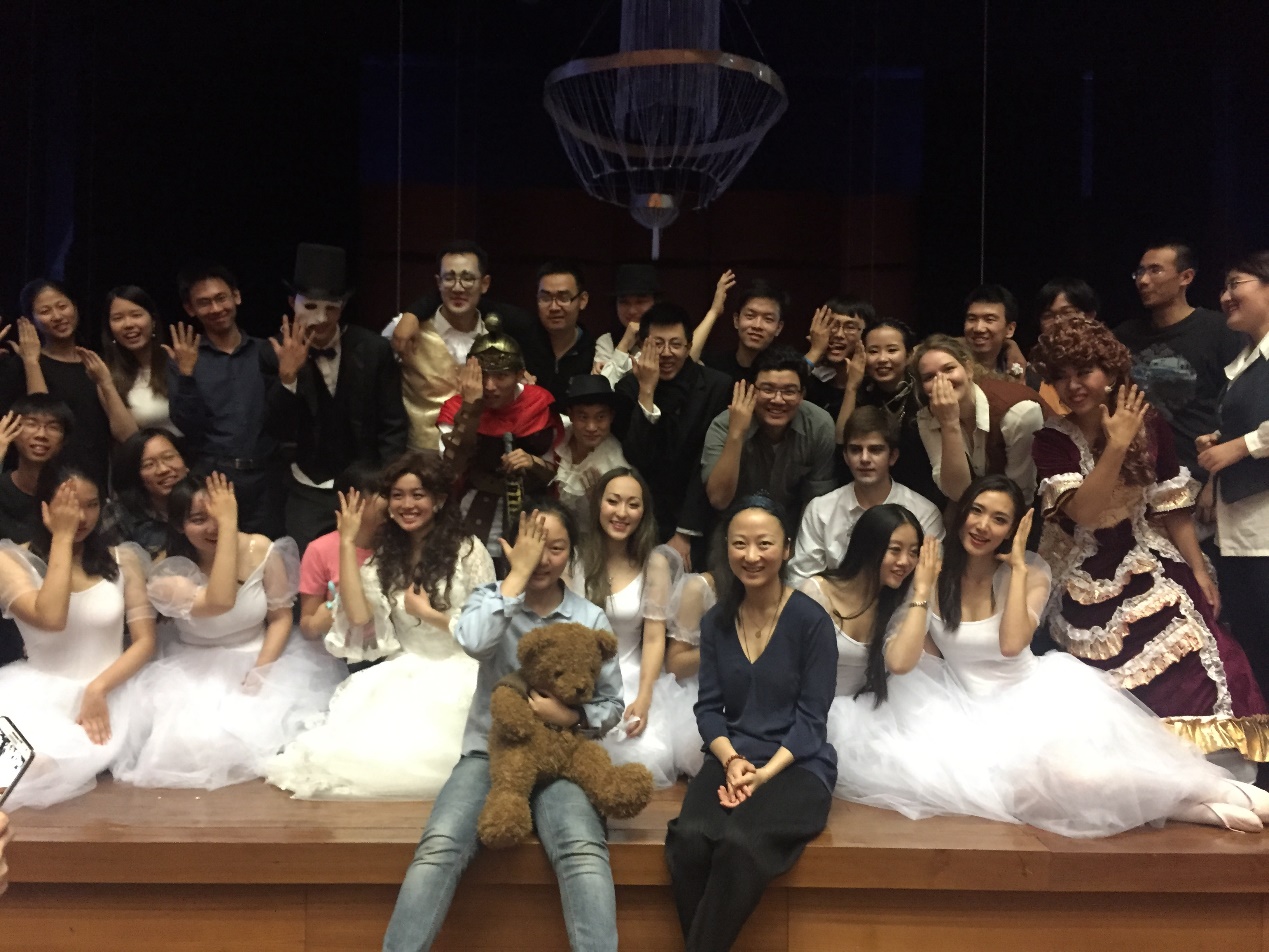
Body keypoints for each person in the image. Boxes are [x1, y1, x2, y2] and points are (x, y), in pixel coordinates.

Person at [846, 474, 1269, 835]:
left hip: (1035, 699)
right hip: (972, 713)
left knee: (1074, 776)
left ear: (1013, 529)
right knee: (1029, 797)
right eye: (977, 511)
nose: (983, 526)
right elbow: (901, 661)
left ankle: (1214, 791)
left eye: (999, 519)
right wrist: (922, 589)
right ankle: (1190, 808)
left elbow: (1011, 644)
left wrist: (1015, 569)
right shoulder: (934, 575)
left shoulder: (1031, 570)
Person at [1030, 317, 1267, 778]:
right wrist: (1115, 446)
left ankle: (1211, 779)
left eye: (1084, 371)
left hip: (1147, 553)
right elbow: (1084, 513)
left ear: (1109, 371)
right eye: (1060, 375)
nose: (1073, 385)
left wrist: (1198, 570)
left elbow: (1170, 506)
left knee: (1200, 642)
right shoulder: (1052, 440)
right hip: (1083, 570)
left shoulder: (1149, 422)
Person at [381, 501, 622, 952]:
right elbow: (473, 642)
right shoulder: (488, 598)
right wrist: (515, 578)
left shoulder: (589, 618)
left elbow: (612, 704)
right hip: (489, 755)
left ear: (571, 553)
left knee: (583, 849)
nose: (544, 559)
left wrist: (572, 717)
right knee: (439, 846)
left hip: (563, 761)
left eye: (556, 548)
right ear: (510, 547)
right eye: (533, 546)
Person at [664, 495, 836, 952]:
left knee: (741, 844)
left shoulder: (812, 622)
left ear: (787, 548)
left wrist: (763, 774)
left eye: (765, 543)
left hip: (797, 764)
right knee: (689, 839)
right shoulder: (716, 621)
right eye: (740, 543)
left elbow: (812, 720)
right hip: (733, 757)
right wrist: (732, 760)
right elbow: (708, 709)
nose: (752, 555)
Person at [268, 454, 495, 799]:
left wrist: (428, 613)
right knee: (354, 756)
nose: (407, 504)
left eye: (418, 495)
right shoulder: (387, 556)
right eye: (397, 495)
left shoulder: (468, 550)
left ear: (438, 500)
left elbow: (486, 629)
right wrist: (347, 543)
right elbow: (359, 616)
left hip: (462, 667)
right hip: (407, 667)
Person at [115, 474, 344, 789]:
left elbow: (280, 618)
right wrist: (227, 528)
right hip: (193, 664)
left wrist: (262, 668)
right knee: (196, 742)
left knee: (287, 733)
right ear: (179, 525)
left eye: (220, 515)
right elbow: (219, 601)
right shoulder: (167, 573)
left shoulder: (260, 548)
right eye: (199, 520)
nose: (213, 527)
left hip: (259, 653)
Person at [0, 464, 155, 808]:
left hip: (113, 690)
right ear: (44, 506)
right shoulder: (10, 562)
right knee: (26, 766)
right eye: (68, 505)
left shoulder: (123, 559)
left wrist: (98, 688)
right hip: (38, 695)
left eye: (91, 505)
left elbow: (145, 640)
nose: (81, 516)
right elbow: (51, 617)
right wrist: (62, 538)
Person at [266, 243, 408, 553]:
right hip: (307, 486)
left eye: (331, 307)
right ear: (292, 303)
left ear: (342, 307)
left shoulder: (373, 349)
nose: (321, 318)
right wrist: (287, 378)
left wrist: (385, 485)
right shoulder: (272, 351)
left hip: (366, 485)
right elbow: (272, 428)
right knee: (309, 565)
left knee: (371, 563)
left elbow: (393, 425)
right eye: (311, 306)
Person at [573, 467, 679, 787]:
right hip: (577, 674)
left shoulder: (655, 564)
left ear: (643, 512)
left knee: (643, 751)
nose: (621, 513)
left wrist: (645, 697)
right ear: (598, 504)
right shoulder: (574, 556)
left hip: (630, 675)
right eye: (613, 501)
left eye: (633, 504)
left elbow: (655, 638)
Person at [388, 240, 546, 453]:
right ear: (438, 283)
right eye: (449, 278)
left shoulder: (498, 340)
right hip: (421, 457)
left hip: (480, 457)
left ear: (485, 284)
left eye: (468, 278)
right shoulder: (405, 332)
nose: (458, 287)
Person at [167, 261, 284, 537]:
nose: (216, 308)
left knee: (269, 553)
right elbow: (186, 424)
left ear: (237, 297)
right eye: (204, 302)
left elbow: (285, 418)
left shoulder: (266, 351)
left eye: (221, 298)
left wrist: (289, 375)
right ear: (190, 309)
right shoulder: (186, 358)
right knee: (218, 551)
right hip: (214, 478)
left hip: (267, 479)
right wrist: (186, 374)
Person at [1197, 252, 1269, 696]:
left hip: (1264, 532)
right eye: (1223, 288)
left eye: (1235, 284)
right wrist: (1220, 444)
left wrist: (1240, 446)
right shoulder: (1247, 359)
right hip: (1243, 530)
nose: (1225, 296)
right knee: (1254, 647)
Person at [1114, 241, 1245, 482]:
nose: (1143, 280)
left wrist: (1217, 477)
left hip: (1200, 472)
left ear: (1186, 277)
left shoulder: (1219, 330)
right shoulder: (1125, 336)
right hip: (1139, 474)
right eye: (1139, 272)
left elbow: (1238, 407)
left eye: (1155, 270)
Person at [615, 302, 732, 569]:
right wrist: (646, 390)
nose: (667, 353)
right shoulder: (627, 388)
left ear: (689, 346)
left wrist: (685, 532)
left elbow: (706, 463)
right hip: (641, 518)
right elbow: (637, 457)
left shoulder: (717, 387)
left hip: (697, 520)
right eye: (657, 344)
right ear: (642, 345)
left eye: (675, 344)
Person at [437, 318, 564, 563]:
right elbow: (450, 469)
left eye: (501, 376)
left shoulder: (539, 404)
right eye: (482, 376)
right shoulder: (455, 409)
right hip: (475, 507)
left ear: (519, 374)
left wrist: (532, 462)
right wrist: (470, 408)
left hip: (533, 508)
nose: (490, 386)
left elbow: (556, 472)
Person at [787, 406, 943, 588]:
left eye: (875, 450)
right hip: (832, 604)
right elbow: (801, 581)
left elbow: (930, 582)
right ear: (845, 457)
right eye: (855, 450)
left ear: (892, 457)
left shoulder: (924, 513)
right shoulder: (821, 510)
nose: (864, 459)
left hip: (903, 605)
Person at [0, 280, 137, 485]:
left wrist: (105, 383)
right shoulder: (20, 366)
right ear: (31, 320)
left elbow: (128, 437)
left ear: (75, 307)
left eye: (62, 306)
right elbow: (45, 417)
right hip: (38, 485)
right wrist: (31, 363)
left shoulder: (97, 364)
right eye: (45, 311)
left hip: (92, 481)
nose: (57, 316)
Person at [701, 345, 838, 534]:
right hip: (732, 530)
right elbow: (718, 499)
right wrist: (736, 434)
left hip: (794, 530)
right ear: (751, 390)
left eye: (789, 391)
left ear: (802, 395)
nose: (778, 400)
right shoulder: (724, 424)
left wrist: (798, 547)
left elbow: (817, 503)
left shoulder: (818, 425)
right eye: (768, 389)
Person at [912, 334, 1051, 503]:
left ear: (968, 369)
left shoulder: (1019, 413)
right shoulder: (928, 417)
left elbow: (1021, 494)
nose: (942, 381)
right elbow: (957, 492)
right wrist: (949, 424)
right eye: (929, 377)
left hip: (1042, 502)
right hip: (979, 503)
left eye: (949, 369)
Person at [294, 461, 385, 645]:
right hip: (338, 650)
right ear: (353, 500)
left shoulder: (397, 544)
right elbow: (307, 625)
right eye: (384, 493)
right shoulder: (320, 549)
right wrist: (318, 622)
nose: (394, 502)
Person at [100, 428, 189, 558]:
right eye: (148, 465)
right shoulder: (119, 514)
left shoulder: (208, 499)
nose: (163, 469)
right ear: (135, 475)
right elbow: (111, 564)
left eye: (169, 457)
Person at [552, 375, 631, 519]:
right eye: (583, 417)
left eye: (600, 417)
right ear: (570, 415)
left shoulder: (617, 466)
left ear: (611, 417)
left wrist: (599, 504)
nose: (591, 427)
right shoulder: (559, 435)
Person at [103, 285, 177, 432]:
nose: (128, 324)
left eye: (136, 315)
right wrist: (105, 384)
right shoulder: (107, 375)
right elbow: (125, 436)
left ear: (153, 321)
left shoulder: (176, 361)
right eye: (118, 318)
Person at [0, 396, 71, 545]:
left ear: (64, 438)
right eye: (31, 424)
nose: (41, 435)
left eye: (53, 427)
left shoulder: (70, 492)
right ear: (12, 430)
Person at [663, 564, 712, 778]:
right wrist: (722, 648)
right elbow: (675, 664)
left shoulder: (785, 594)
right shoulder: (699, 588)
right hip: (703, 691)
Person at [528, 261, 596, 404]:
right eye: (545, 298)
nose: (554, 307)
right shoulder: (522, 344)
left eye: (564, 298)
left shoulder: (595, 352)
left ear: (583, 300)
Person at [1032, 277, 1102, 412]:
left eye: (1067, 313)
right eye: (1048, 316)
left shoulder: (1108, 364)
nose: (1058, 321)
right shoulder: (1033, 373)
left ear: (1090, 316)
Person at [699, 279, 787, 383]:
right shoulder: (715, 366)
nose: (757, 325)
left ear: (778, 328)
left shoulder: (787, 372)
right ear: (736, 320)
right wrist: (714, 312)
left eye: (768, 319)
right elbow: (686, 360)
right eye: (750, 316)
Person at [592, 262, 661, 385]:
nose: (632, 311)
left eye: (640, 302)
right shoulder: (607, 342)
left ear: (655, 303)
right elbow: (600, 388)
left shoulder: (666, 340)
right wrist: (624, 344)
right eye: (624, 302)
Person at [804, 297, 872, 422]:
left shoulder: (873, 384)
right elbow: (785, 386)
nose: (839, 335)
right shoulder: (812, 377)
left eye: (850, 327)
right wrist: (815, 351)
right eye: (832, 325)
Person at [961, 283, 1041, 389]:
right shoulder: (949, 368)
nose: (978, 328)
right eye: (972, 319)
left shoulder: (1026, 375)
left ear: (1010, 329)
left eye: (989, 319)